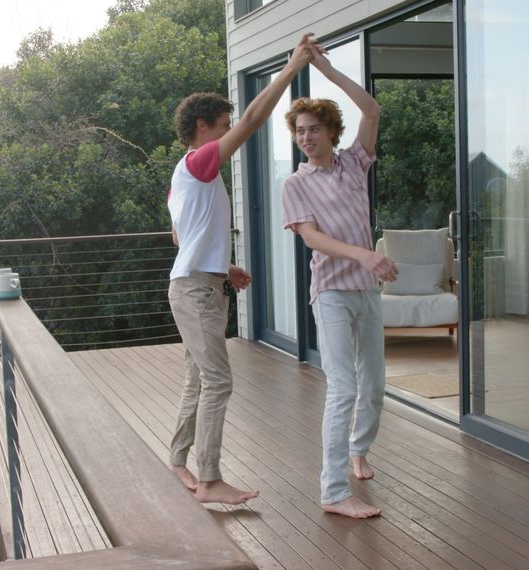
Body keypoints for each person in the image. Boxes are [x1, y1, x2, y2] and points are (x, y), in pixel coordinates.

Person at [167, 33, 322, 505]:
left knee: (199, 378)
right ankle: (210, 479)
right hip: (195, 291)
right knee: (218, 381)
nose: (229, 130)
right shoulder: (198, 162)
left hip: (199, 284)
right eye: (223, 125)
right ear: (203, 126)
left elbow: (182, 238)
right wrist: (292, 66)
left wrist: (224, 266)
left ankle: (178, 462)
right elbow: (255, 120)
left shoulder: (185, 177)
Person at [281, 50, 397, 518]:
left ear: (331, 132)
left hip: (366, 291)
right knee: (343, 387)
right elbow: (312, 238)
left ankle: (358, 448)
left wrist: (325, 70)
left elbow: (371, 110)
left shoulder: (354, 164)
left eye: (313, 129)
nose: (305, 137)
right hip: (330, 292)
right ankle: (332, 492)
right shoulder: (295, 184)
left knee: (374, 385)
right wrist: (366, 255)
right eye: (299, 130)